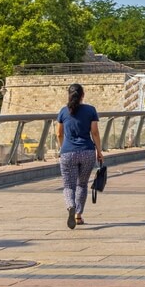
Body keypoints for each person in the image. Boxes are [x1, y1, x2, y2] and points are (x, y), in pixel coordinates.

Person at [56, 83, 104, 229]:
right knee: (82, 184)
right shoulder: (90, 110)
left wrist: (62, 148)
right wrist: (99, 151)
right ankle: (78, 215)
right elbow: (94, 132)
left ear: (68, 95)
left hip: (68, 152)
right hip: (87, 152)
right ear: (83, 95)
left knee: (68, 186)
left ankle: (70, 205)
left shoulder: (63, 111)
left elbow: (59, 133)